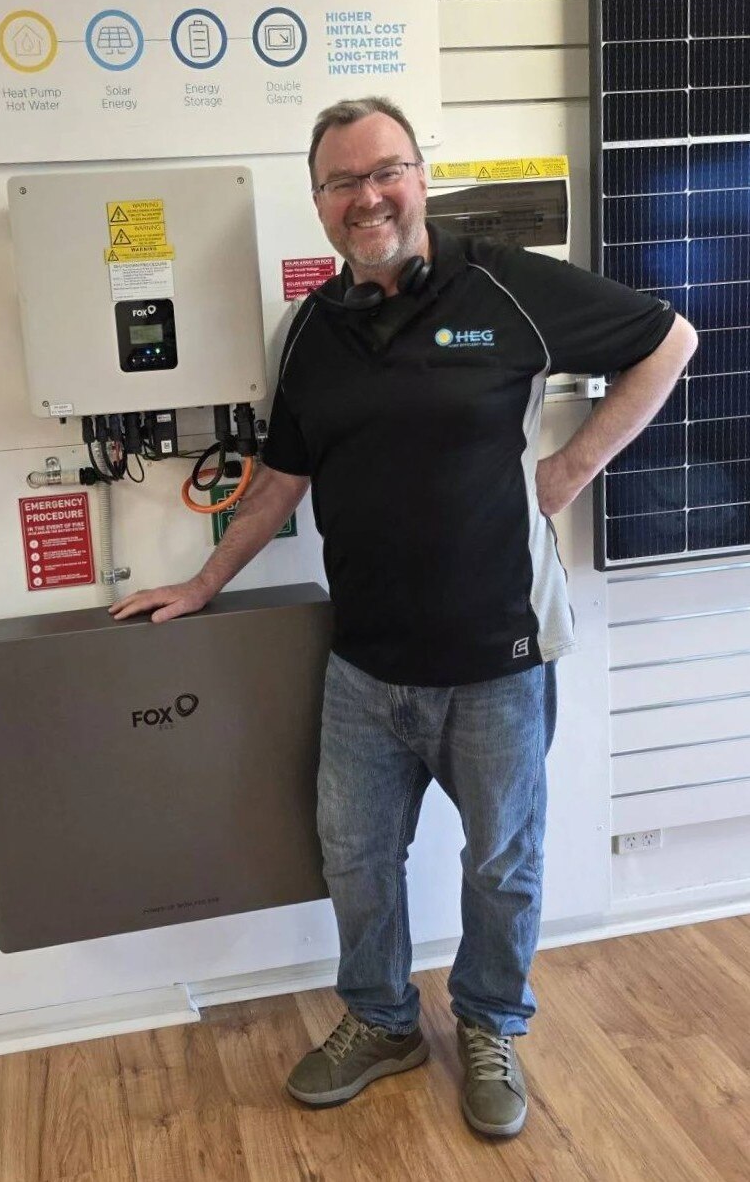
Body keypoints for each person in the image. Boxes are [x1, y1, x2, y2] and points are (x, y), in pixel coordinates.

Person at [109, 96, 697, 1137]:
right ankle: (379, 1020)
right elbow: (282, 475)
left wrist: (566, 468)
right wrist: (202, 585)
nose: (365, 195)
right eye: (340, 181)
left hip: (497, 659)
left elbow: (667, 339)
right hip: (363, 667)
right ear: (318, 203)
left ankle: (486, 1025)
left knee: (502, 862)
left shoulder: (502, 286)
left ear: (418, 176)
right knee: (354, 857)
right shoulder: (308, 332)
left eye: (384, 170)